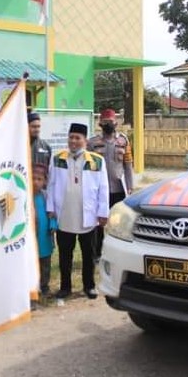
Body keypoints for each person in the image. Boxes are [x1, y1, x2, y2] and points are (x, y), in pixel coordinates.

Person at [47, 123, 109, 300]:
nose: (73, 141)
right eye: (71, 137)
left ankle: (89, 286)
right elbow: (51, 184)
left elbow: (103, 189)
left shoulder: (96, 161)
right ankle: (65, 287)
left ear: (85, 140)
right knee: (65, 254)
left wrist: (103, 212)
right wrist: (50, 208)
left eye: (77, 138)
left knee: (88, 254)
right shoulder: (57, 158)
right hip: (64, 214)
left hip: (87, 215)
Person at [87, 108, 133, 262]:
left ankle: (118, 253)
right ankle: (97, 253)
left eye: (111, 122)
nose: (108, 124)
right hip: (99, 191)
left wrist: (130, 186)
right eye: (105, 122)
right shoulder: (92, 143)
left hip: (118, 189)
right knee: (98, 224)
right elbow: (87, 168)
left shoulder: (123, 141)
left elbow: (128, 165)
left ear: (116, 123)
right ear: (100, 123)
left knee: (119, 223)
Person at [33, 163, 57, 297]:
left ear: (45, 181)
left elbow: (52, 212)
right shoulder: (25, 196)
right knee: (33, 263)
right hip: (31, 237)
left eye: (39, 179)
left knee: (45, 263)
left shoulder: (46, 196)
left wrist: (53, 225)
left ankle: (45, 286)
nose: (36, 182)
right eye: (33, 179)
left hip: (45, 236)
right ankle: (33, 287)